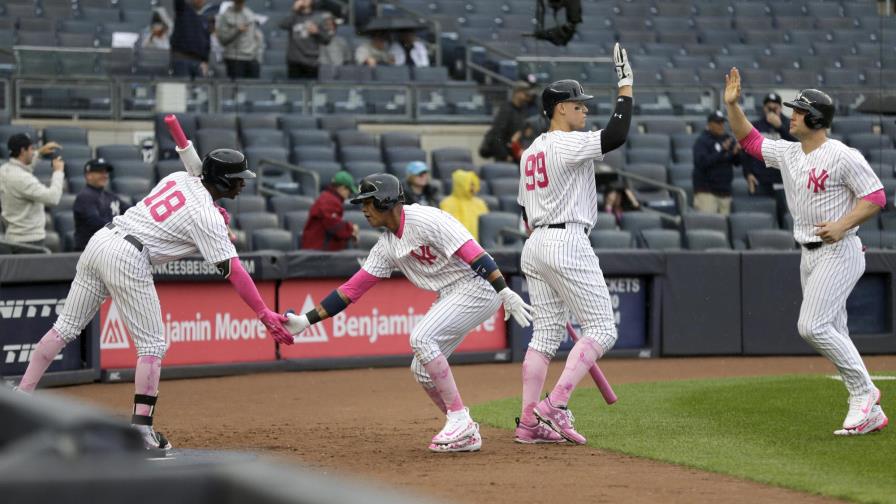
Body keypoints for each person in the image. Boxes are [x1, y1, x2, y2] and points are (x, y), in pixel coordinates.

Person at [13, 149, 293, 451]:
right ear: (223, 182)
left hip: (103, 240)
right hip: (128, 256)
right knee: (153, 346)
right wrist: (264, 312)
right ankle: (142, 431)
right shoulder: (206, 216)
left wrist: (214, 211)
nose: (244, 185)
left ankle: (21, 395)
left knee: (64, 327)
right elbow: (235, 272)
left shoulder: (180, 177)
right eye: (238, 180)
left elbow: (187, 209)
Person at [283, 173, 532, 453]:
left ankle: (460, 419)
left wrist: (503, 290)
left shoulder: (426, 220)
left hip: (478, 285)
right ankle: (465, 430)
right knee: (422, 370)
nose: (363, 210)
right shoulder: (387, 244)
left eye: (368, 202)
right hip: (451, 292)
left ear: (385, 200)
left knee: (422, 338)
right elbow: (350, 290)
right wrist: (305, 320)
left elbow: (475, 253)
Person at [724, 68, 888, 436]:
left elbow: (876, 197)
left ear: (815, 118)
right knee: (835, 329)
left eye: (798, 111)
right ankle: (867, 411)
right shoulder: (790, 153)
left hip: (840, 248)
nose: (790, 115)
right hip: (809, 253)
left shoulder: (842, 155)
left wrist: (844, 224)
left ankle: (864, 393)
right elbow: (749, 141)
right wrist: (733, 106)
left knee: (811, 326)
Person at [515, 43, 633, 445]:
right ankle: (555, 405)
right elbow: (617, 134)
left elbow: (523, 215)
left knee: (544, 338)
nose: (584, 110)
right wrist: (626, 85)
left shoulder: (530, 152)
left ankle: (529, 423)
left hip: (536, 244)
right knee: (602, 328)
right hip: (567, 240)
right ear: (560, 108)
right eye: (578, 105)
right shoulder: (565, 143)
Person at [0, 133, 64, 247]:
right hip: (30, 241)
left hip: (14, 238)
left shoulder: (4, 170)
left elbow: (22, 166)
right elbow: (52, 198)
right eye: (31, 149)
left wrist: (39, 153)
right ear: (23, 151)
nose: (33, 151)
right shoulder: (22, 178)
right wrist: (58, 171)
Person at [741, 92, 797, 196]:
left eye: (775, 108)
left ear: (780, 108)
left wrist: (780, 128)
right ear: (764, 108)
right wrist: (748, 173)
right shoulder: (755, 126)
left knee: (785, 211)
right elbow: (746, 152)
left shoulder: (791, 125)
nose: (772, 111)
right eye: (769, 108)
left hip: (784, 180)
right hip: (760, 179)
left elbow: (798, 147)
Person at [73, 158, 130, 251]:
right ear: (89, 175)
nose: (105, 175)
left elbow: (130, 211)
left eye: (106, 172)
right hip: (89, 253)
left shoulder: (110, 196)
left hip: (109, 250)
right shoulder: (84, 197)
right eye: (100, 172)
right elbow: (97, 223)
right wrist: (122, 230)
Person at [692, 110, 742, 215]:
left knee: (724, 226)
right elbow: (702, 163)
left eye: (722, 123)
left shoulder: (727, 139)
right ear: (709, 124)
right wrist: (722, 151)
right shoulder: (702, 141)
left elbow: (737, 163)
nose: (721, 126)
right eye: (718, 123)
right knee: (709, 225)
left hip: (724, 192)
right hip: (707, 192)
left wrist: (737, 152)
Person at [301, 171, 359, 251]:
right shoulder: (329, 201)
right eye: (349, 191)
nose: (348, 195)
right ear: (342, 188)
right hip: (317, 254)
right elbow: (334, 226)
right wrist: (351, 229)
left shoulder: (328, 197)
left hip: (319, 252)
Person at [479, 82, 537, 162]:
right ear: (517, 93)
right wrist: (505, 156)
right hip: (506, 156)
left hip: (518, 154)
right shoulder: (506, 109)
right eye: (525, 93)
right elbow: (497, 134)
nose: (527, 97)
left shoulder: (524, 109)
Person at [280, 0, 331, 79]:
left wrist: (317, 32)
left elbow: (327, 40)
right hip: (294, 61)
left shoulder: (319, 17)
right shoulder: (294, 16)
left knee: (311, 88)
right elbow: (282, 25)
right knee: (295, 89)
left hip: (311, 61)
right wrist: (294, 10)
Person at [216, 0, 262, 79]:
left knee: (253, 87)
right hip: (234, 58)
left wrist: (258, 56)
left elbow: (257, 36)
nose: (240, 3)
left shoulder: (250, 14)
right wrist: (237, 31)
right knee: (236, 88)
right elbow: (222, 40)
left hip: (252, 58)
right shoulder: (226, 16)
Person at [439, 169, 488, 240]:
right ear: (460, 185)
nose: (473, 188)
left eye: (473, 184)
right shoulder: (447, 203)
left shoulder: (480, 203)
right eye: (469, 184)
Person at [170, 0, 213, 78]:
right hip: (182, 59)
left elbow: (207, 43)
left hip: (199, 62)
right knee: (182, 88)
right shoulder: (183, 9)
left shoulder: (205, 19)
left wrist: (205, 62)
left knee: (200, 89)